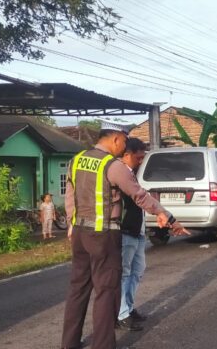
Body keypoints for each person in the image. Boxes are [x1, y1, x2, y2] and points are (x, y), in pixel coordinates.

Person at [61, 129, 189, 349]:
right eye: (124, 143)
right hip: (104, 235)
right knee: (106, 291)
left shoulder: (76, 160)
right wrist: (164, 214)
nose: (124, 149)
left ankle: (69, 344)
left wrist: (72, 223)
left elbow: (70, 195)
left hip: (80, 234)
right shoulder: (112, 165)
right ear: (115, 139)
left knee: (78, 290)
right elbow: (138, 195)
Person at [117, 138, 149, 332]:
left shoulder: (131, 173)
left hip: (138, 230)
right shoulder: (119, 174)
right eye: (138, 158)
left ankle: (128, 308)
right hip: (126, 230)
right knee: (125, 272)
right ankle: (121, 314)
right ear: (126, 155)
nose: (140, 162)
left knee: (137, 271)